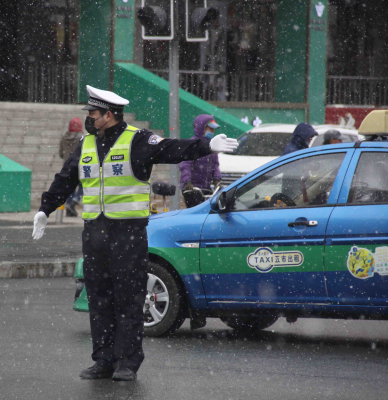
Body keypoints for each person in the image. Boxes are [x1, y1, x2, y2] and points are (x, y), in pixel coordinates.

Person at [32, 85, 238, 381]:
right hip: (94, 234)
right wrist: (45, 209)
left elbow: (172, 148)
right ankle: (102, 360)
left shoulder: (137, 141)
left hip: (127, 233)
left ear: (109, 114)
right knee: (99, 299)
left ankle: (127, 362)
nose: (89, 117)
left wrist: (205, 146)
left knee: (129, 299)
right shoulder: (86, 143)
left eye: (93, 112)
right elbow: (66, 178)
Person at [179, 115, 223, 208]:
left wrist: (217, 180)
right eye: (210, 129)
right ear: (201, 128)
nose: (212, 132)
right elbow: (185, 165)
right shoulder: (192, 145)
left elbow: (215, 165)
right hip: (191, 188)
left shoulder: (212, 146)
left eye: (213, 130)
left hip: (206, 187)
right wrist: (187, 182)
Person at [59, 117, 84, 217]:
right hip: (79, 165)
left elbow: (61, 153)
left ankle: (69, 207)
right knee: (84, 186)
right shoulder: (82, 138)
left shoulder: (64, 137)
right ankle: (75, 200)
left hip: (67, 166)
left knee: (70, 187)